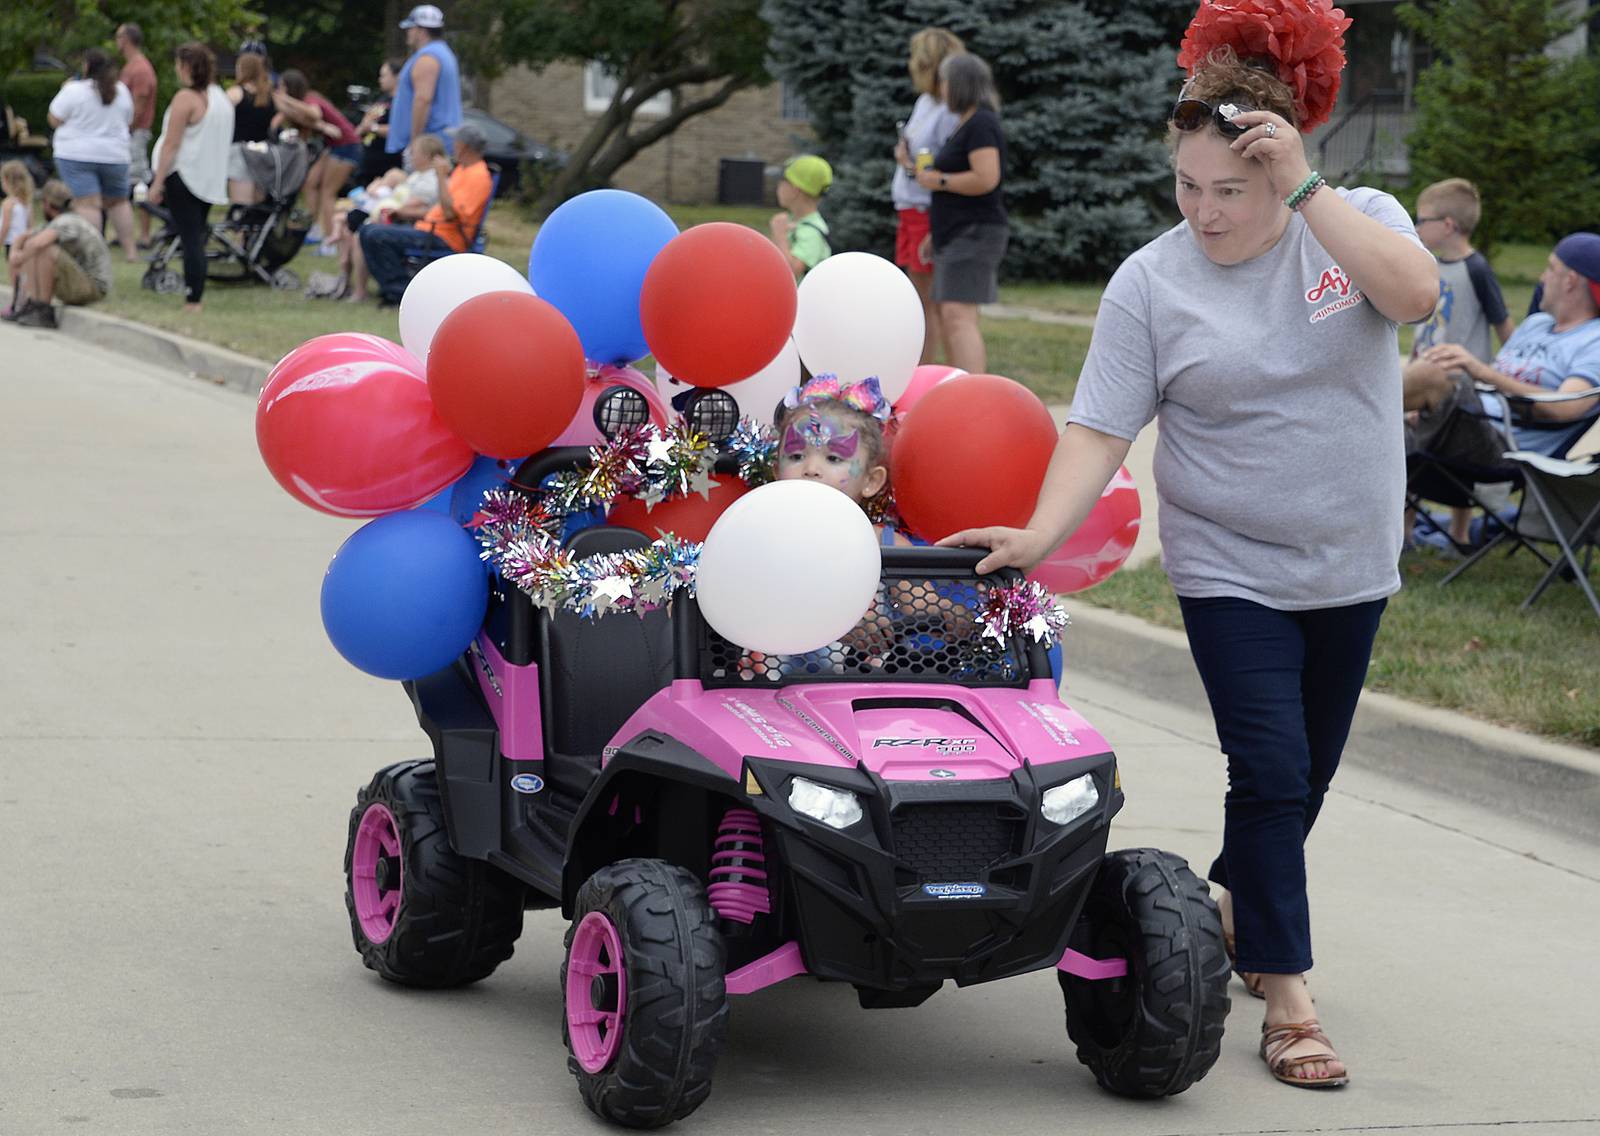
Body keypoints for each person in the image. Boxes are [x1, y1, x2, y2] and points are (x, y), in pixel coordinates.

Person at [940, 11, 1439, 1089]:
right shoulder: (1152, 282)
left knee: (1300, 780)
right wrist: (1035, 533)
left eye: (1231, 190)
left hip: (1349, 560)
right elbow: (1098, 427)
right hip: (1228, 565)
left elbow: (1415, 297)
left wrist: (1310, 193)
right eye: (1187, 185)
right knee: (1266, 768)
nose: (1204, 212)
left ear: (1281, 170)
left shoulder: (1348, 224)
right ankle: (1287, 992)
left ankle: (1237, 900)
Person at [1407, 232, 1600, 463]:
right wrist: (1436, 403)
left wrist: (1480, 371)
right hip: (1468, 420)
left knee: (1436, 371)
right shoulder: (1536, 324)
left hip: (1503, 446)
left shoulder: (1594, 340)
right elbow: (1500, 377)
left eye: (1550, 268)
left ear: (1570, 281)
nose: (1542, 278)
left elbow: (1565, 407)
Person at [1400, 178, 1515, 546]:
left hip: (1465, 391)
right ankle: (1405, 532)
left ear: (1447, 225)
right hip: (1425, 380)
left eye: (1422, 219)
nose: (1416, 227)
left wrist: (1502, 374)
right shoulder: (1426, 265)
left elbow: (1505, 329)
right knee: (1410, 444)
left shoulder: (1477, 269)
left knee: (1455, 451)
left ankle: (1459, 534)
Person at [914, 53, 1007, 373]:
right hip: (956, 233)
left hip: (975, 233)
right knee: (949, 313)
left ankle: (972, 392)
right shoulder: (967, 122)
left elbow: (986, 178)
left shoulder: (982, 122)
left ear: (961, 84)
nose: (940, 88)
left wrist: (938, 179)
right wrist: (934, 233)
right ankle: (960, 386)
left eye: (945, 80)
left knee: (958, 315)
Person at [358, 122, 491, 306]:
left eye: (456, 142)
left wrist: (440, 176)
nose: (452, 145)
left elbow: (450, 213)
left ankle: (400, 292)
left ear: (464, 146)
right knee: (368, 230)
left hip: (446, 236)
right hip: (431, 228)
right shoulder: (463, 169)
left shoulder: (477, 176)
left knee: (376, 235)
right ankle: (394, 288)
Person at [892, 27, 964, 363]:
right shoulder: (925, 102)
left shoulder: (950, 109)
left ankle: (928, 375)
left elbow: (951, 161)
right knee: (915, 301)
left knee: (928, 302)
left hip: (927, 209)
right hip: (909, 207)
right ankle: (919, 372)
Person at [148, 44, 234, 313]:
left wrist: (157, 181)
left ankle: (193, 298)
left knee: (190, 240)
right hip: (207, 178)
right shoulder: (221, 98)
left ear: (186, 67)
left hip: (184, 175)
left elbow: (172, 143)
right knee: (196, 235)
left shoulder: (186, 98)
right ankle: (194, 292)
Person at [325, 133, 444, 302]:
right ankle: (346, 279)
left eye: (414, 153)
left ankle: (361, 290)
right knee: (350, 228)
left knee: (362, 233)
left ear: (426, 155)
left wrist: (388, 205)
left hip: (410, 223)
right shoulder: (417, 176)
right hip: (395, 216)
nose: (411, 156)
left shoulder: (430, 180)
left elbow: (414, 207)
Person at [47, 48, 137, 263]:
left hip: (77, 155)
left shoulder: (73, 90)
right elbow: (129, 119)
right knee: (118, 202)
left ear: (86, 66)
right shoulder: (121, 90)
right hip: (115, 156)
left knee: (88, 204)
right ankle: (131, 251)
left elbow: (54, 119)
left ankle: (95, 254)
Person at [2, 180, 113, 328]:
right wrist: (14, 251)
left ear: (47, 204)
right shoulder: (59, 221)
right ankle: (33, 304)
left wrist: (20, 257)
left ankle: (42, 309)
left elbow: (36, 243)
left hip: (94, 288)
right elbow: (24, 237)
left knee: (44, 250)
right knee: (35, 249)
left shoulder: (68, 221)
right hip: (81, 283)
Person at [273, 69, 361, 249]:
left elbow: (315, 114)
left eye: (283, 86)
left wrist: (284, 98)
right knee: (310, 183)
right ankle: (315, 228)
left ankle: (329, 241)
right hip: (335, 145)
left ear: (292, 87)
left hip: (347, 145)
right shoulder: (301, 103)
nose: (280, 89)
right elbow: (301, 120)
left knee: (328, 192)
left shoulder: (309, 99)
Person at [387, 5, 463, 162]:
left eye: (410, 28)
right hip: (435, 143)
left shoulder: (428, 58)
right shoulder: (442, 53)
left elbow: (423, 99)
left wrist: (416, 142)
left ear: (421, 31)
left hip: (428, 147)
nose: (407, 32)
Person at [114, 23, 158, 248]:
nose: (116, 41)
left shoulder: (140, 68)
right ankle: (125, 233)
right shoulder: (130, 66)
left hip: (135, 134)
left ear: (127, 39)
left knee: (139, 182)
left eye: (118, 36)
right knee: (123, 183)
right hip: (127, 133)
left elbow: (139, 104)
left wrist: (126, 129)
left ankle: (145, 235)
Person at [767, 155, 833, 281]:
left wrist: (780, 237)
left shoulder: (812, 232)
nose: (778, 187)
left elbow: (790, 272)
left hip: (802, 300)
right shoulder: (794, 221)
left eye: (782, 182)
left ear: (794, 190)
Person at [226, 51, 276, 205]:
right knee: (258, 205)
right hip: (262, 152)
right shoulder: (268, 95)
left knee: (241, 205)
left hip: (239, 152)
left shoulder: (235, 93)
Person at [354, 59, 405, 186]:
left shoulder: (402, 102)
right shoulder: (381, 99)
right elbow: (364, 124)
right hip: (366, 162)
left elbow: (400, 130)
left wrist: (373, 127)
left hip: (385, 164)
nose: (380, 79)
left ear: (397, 76)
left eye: (383, 75)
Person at [2, 160, 37, 316]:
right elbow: (31, 226)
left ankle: (16, 307)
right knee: (22, 276)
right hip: (24, 243)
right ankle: (20, 303)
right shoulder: (27, 203)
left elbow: (6, 225)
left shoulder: (9, 203)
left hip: (11, 243)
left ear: (7, 181)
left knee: (14, 276)